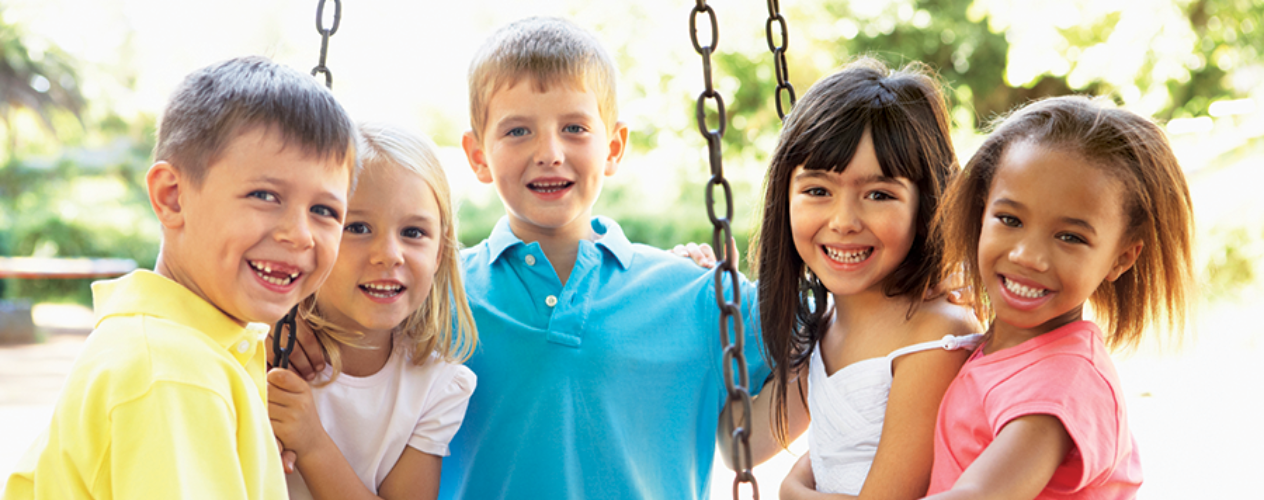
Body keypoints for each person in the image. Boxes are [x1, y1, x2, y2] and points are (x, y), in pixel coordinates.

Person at [275, 17, 768, 500]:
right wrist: (295, 313)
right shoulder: (432, 298)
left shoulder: (693, 293)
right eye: (517, 132)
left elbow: (818, 349)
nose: (549, 152)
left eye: (574, 127)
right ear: (477, 156)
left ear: (614, 147)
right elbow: (349, 326)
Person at [2, 56, 357, 499]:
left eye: (324, 211)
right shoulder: (172, 375)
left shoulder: (179, 349)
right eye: (265, 195)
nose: (299, 234)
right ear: (172, 197)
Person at [923, 95, 1194, 499]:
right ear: (982, 212)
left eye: (1070, 237)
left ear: (1121, 257)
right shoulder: (1001, 347)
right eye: (1010, 220)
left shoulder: (1063, 386)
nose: (1026, 257)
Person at [749, 59, 982, 500]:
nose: (844, 221)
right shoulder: (825, 326)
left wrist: (793, 491)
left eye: (879, 195)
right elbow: (743, 445)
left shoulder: (936, 337)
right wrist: (697, 290)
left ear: (925, 203)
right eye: (818, 190)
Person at [267, 123, 479, 500]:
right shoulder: (265, 342)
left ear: (440, 253)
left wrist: (312, 444)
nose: (389, 255)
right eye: (359, 227)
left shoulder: (434, 387)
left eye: (413, 233)